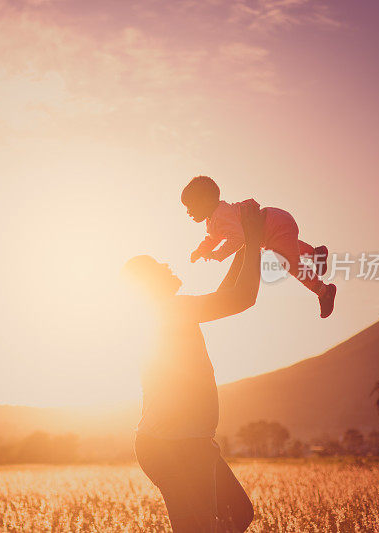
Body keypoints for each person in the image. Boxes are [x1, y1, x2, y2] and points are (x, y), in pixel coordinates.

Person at [122, 200, 263, 532]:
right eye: (159, 266)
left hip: (187, 441)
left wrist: (243, 243)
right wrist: (254, 240)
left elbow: (226, 293)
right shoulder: (167, 311)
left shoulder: (168, 310)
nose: (168, 266)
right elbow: (241, 298)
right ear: (149, 283)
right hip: (175, 445)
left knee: (238, 515)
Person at [181, 175, 337, 318]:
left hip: (273, 225)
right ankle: (316, 254)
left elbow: (238, 238)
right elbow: (213, 238)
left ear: (206, 200)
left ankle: (324, 292)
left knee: (290, 263)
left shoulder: (221, 215)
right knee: (284, 248)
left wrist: (217, 254)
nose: (188, 212)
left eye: (190, 206)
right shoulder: (214, 219)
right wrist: (201, 250)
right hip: (273, 223)